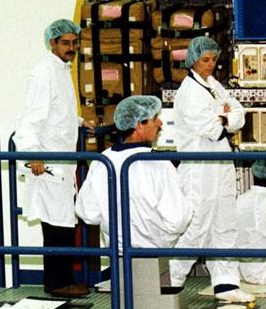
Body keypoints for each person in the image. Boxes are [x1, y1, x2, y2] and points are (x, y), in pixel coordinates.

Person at [15, 18, 88, 298]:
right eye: (65, 43)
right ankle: (58, 283)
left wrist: (80, 121)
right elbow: (31, 118)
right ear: (52, 43)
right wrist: (33, 154)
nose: (71, 47)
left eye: (74, 43)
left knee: (62, 221)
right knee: (57, 224)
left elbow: (58, 110)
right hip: (48, 162)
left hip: (61, 161)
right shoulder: (44, 72)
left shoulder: (61, 70)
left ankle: (61, 280)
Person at [168, 35, 246, 294]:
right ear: (193, 60)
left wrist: (225, 118)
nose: (210, 64)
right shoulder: (189, 92)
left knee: (225, 224)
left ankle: (226, 282)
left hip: (220, 165)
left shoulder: (214, 85)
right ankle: (171, 280)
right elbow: (214, 129)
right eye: (205, 60)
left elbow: (239, 114)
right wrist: (225, 118)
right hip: (199, 170)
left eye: (213, 59)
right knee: (196, 227)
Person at [74, 94, 191, 255]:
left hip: (117, 253)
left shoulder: (102, 162)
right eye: (155, 118)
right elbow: (178, 219)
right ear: (139, 125)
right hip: (154, 254)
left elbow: (88, 213)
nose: (160, 123)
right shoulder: (159, 164)